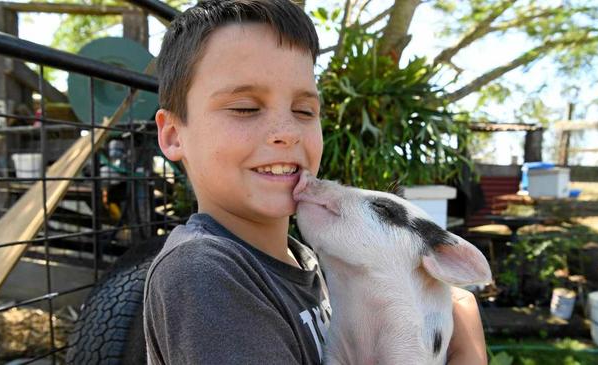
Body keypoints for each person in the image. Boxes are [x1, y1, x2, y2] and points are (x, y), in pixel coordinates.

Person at [143, 0, 487, 364]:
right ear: (173, 134)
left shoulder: (305, 260)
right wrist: (469, 354)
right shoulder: (205, 274)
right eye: (244, 107)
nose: (287, 133)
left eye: (304, 111)